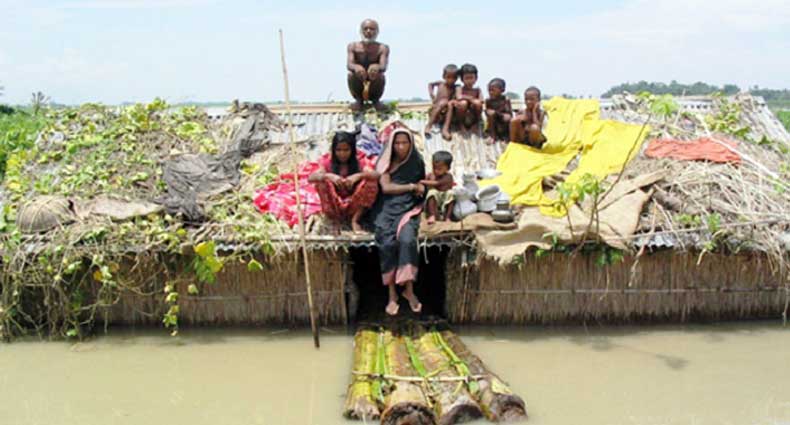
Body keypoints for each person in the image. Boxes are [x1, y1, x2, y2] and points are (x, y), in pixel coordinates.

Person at [373, 128, 426, 316]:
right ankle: (392, 294)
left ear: (411, 144)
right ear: (391, 145)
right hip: (387, 209)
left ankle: (409, 290)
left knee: (407, 240)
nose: (401, 147)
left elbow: (423, 184)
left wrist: (421, 188)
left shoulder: (416, 162)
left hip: (409, 208)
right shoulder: (385, 162)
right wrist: (411, 186)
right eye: (397, 143)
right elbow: (386, 188)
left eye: (405, 143)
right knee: (387, 244)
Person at [308, 131, 380, 232]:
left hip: (353, 205)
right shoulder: (328, 163)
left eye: (346, 150)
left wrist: (359, 176)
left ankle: (355, 220)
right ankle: (335, 221)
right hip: (335, 206)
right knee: (321, 183)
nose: (342, 154)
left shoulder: (359, 163)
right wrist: (329, 176)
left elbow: (376, 175)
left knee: (371, 183)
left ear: (352, 150)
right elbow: (311, 178)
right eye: (339, 150)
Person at [347, 19, 390, 112]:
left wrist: (376, 67)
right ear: (361, 31)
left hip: (374, 78)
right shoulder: (353, 46)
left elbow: (383, 66)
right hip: (359, 78)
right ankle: (359, 101)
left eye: (372, 29)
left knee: (381, 76)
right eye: (365, 29)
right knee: (351, 75)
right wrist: (356, 67)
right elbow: (349, 65)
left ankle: (376, 101)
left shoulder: (382, 48)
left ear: (377, 31)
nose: (368, 31)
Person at [443, 63, 484, 140]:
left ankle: (476, 124)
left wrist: (474, 102)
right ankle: (461, 125)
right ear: (462, 79)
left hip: (472, 116)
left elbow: (481, 101)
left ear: (476, 78)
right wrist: (470, 99)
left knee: (477, 103)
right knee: (463, 103)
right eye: (466, 78)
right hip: (462, 116)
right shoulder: (459, 88)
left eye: (471, 78)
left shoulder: (477, 90)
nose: (469, 81)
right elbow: (459, 97)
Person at [421, 151, 455, 224]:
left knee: (451, 194)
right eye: (434, 168)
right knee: (432, 192)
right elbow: (426, 181)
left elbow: (437, 183)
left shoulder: (448, 176)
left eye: (439, 169)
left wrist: (422, 181)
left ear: (447, 168)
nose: (436, 171)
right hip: (435, 200)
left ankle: (448, 217)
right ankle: (432, 215)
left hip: (445, 198)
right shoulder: (431, 175)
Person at [425, 64, 459, 135]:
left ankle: (445, 129)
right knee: (443, 102)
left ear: (457, 78)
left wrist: (453, 100)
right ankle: (429, 126)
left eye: (453, 78)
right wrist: (432, 94)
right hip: (436, 109)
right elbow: (430, 84)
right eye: (448, 77)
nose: (451, 80)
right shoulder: (440, 83)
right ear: (444, 76)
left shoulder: (456, 87)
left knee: (448, 104)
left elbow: (458, 97)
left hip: (446, 112)